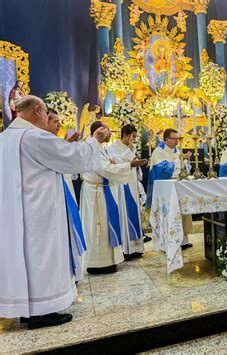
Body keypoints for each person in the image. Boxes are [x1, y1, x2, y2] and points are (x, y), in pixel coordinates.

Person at [0, 95, 108, 329]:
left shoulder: (4, 138)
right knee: (42, 257)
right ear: (38, 110)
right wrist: (94, 140)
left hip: (14, 214)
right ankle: (43, 311)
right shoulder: (34, 137)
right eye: (46, 112)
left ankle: (27, 310)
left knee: (24, 259)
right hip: (39, 211)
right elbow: (74, 158)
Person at [81, 121, 147, 274]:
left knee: (105, 226)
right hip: (96, 192)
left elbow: (106, 165)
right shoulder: (93, 148)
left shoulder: (99, 148)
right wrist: (129, 165)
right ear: (96, 132)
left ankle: (108, 260)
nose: (108, 134)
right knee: (99, 227)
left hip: (103, 189)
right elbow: (105, 169)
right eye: (105, 131)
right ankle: (98, 263)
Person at [44, 109, 86, 282]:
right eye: (55, 122)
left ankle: (72, 273)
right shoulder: (43, 142)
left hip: (65, 192)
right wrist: (67, 145)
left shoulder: (55, 142)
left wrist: (68, 145)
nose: (59, 125)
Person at [147, 128, 193, 249]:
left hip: (178, 186)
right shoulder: (159, 151)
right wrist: (180, 160)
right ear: (166, 139)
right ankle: (168, 242)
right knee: (169, 212)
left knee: (182, 212)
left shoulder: (177, 151)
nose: (177, 141)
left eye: (178, 138)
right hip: (165, 189)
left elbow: (184, 168)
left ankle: (183, 240)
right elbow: (162, 170)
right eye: (174, 138)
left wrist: (186, 162)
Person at [108, 124, 145, 260]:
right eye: (132, 136)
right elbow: (115, 162)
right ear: (125, 135)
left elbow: (133, 162)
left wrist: (138, 167)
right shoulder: (113, 147)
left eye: (134, 137)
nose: (133, 140)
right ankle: (127, 250)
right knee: (125, 213)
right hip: (122, 183)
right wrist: (128, 150)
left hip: (133, 181)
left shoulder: (132, 147)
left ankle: (137, 248)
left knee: (134, 210)